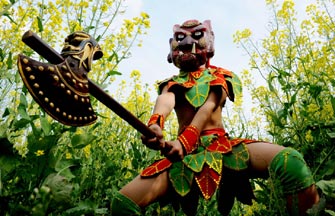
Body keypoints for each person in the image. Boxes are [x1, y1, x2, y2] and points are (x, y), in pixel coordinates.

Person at [111, 19, 320, 215]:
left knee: (289, 161)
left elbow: (209, 106)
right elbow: (166, 101)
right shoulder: (170, 83)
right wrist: (155, 124)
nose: (187, 42)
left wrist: (184, 143)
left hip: (223, 147)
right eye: (180, 37)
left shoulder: (221, 76)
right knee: (122, 202)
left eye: (197, 34)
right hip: (182, 156)